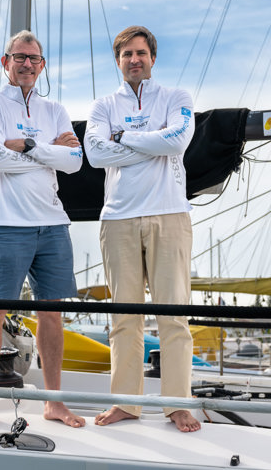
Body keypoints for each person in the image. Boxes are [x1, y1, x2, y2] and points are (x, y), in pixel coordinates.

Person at [84, 25, 200, 432]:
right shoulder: (103, 106)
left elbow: (177, 141)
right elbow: (95, 153)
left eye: (140, 53)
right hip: (118, 218)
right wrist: (151, 142)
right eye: (126, 54)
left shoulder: (176, 98)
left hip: (170, 214)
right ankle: (125, 404)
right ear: (118, 61)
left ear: (152, 57)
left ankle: (177, 405)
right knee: (124, 318)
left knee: (174, 317)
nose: (134, 60)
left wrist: (123, 137)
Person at [0, 30, 85, 433]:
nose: (26, 64)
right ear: (6, 62)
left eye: (33, 59)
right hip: (6, 224)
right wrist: (50, 151)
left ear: (42, 65)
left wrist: (28, 145)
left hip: (52, 224)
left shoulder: (55, 109)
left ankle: (54, 402)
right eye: (19, 57)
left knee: (51, 314)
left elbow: (74, 162)